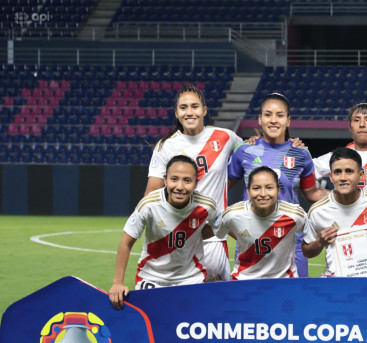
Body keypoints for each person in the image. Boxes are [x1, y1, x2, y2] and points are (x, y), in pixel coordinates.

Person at [146, 85, 241, 282]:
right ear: (177, 113)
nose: (189, 112)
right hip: (179, 236)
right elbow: (152, 194)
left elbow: (253, 153)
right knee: (179, 300)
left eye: (195, 106)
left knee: (216, 302)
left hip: (213, 236)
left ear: (204, 111)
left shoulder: (225, 137)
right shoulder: (166, 145)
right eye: (183, 107)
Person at [227, 92, 328, 277]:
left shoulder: (301, 153)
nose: (273, 120)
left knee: (296, 299)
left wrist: (342, 196)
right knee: (249, 302)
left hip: (291, 239)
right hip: (251, 240)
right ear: (259, 119)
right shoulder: (244, 150)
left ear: (288, 121)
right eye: (268, 114)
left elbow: (312, 192)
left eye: (279, 115)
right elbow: (222, 188)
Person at [110, 155, 217, 309]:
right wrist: (117, 283)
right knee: (151, 326)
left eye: (187, 180)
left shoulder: (207, 206)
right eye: (174, 179)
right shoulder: (149, 204)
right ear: (165, 179)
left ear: (196, 183)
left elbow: (224, 228)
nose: (180, 186)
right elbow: (126, 243)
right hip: (152, 277)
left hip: (191, 278)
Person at [303, 147, 367, 278]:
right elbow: (307, 251)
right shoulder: (318, 211)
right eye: (337, 172)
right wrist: (320, 242)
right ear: (330, 177)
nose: (343, 178)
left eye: (349, 171)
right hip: (339, 280)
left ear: (360, 175)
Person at [214, 166, 306, 279]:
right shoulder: (232, 214)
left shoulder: (295, 214)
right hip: (243, 279)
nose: (263, 194)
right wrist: (242, 235)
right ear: (248, 191)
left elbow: (310, 236)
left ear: (278, 190)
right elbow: (219, 232)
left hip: (284, 281)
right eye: (256, 188)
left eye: (269, 187)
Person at [313, 101, 367, 203]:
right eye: (356, 120)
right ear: (350, 127)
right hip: (345, 218)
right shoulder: (337, 157)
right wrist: (333, 195)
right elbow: (305, 170)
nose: (362, 124)